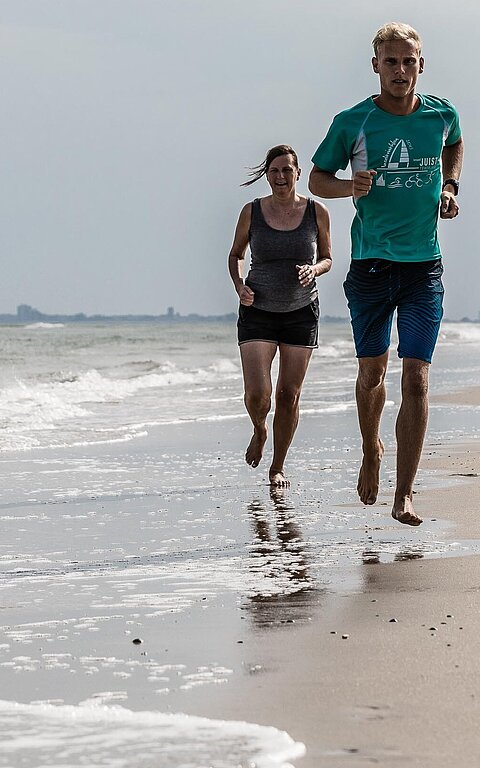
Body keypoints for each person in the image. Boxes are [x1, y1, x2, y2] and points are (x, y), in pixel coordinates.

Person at [309, 22, 463, 526]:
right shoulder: (353, 122)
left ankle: (405, 494)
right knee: (373, 373)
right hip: (371, 267)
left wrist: (451, 185)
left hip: (424, 268)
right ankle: (370, 448)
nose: (400, 70)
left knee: (416, 377)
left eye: (409, 61)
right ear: (376, 66)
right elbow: (316, 179)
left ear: (422, 63)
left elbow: (455, 142)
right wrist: (350, 186)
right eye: (390, 62)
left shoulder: (442, 114)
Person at [228, 144, 332, 487]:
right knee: (259, 395)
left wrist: (314, 270)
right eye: (274, 171)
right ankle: (260, 429)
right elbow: (236, 254)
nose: (281, 176)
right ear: (267, 175)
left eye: (287, 170)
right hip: (257, 309)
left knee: (289, 395)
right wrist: (239, 284)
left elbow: (328, 258)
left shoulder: (317, 212)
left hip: (301, 311)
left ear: (298, 173)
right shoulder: (252, 211)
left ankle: (278, 467)